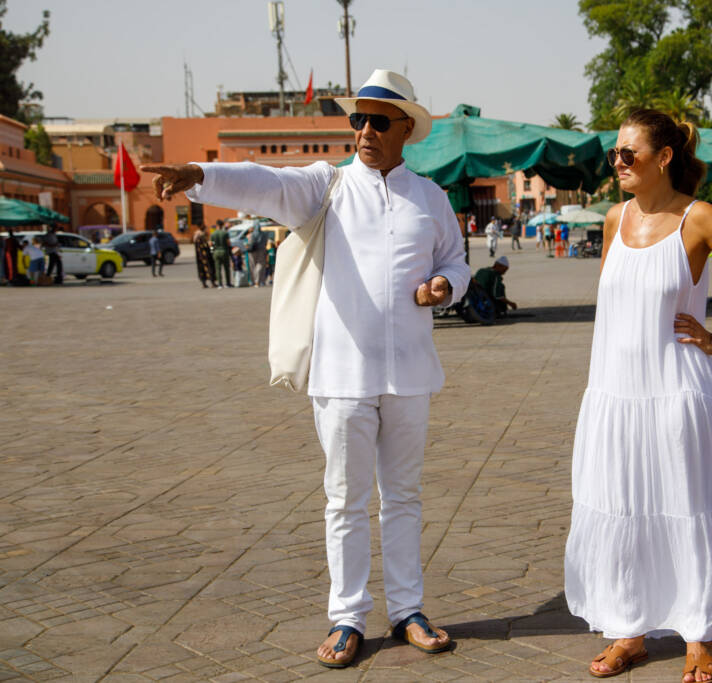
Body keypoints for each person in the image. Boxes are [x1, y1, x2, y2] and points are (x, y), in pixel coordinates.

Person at [142, 68, 470, 669]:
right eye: (358, 120)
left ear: (406, 130)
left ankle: (407, 611)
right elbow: (265, 184)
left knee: (403, 497)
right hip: (342, 375)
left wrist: (446, 285)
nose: (366, 130)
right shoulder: (327, 187)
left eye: (379, 120)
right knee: (344, 499)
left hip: (411, 375)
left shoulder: (431, 197)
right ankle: (347, 617)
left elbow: (455, 257)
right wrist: (201, 177)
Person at [566, 109, 712, 683]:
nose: (616, 162)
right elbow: (616, 308)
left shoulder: (698, 219)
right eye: (613, 153)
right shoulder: (614, 219)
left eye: (627, 154)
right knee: (621, 509)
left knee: (687, 511)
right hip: (615, 393)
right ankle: (629, 631)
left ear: (663, 158)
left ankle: (699, 637)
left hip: (676, 393)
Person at [210, 220, 232, 288]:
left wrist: (212, 252)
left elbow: (211, 245)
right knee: (226, 268)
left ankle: (220, 284)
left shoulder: (213, 234)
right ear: (222, 225)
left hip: (216, 252)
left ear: (216, 225)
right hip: (224, 251)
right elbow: (228, 243)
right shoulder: (225, 233)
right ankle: (228, 283)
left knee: (218, 269)